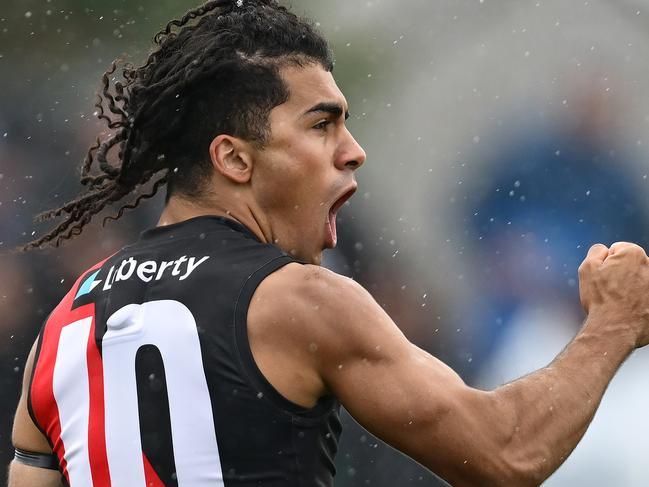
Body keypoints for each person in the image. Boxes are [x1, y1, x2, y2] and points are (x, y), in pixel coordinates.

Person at [8, 1, 649, 486]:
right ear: (233, 158)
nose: (354, 151)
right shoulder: (299, 300)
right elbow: (505, 453)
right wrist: (611, 325)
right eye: (322, 124)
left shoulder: (63, 325)